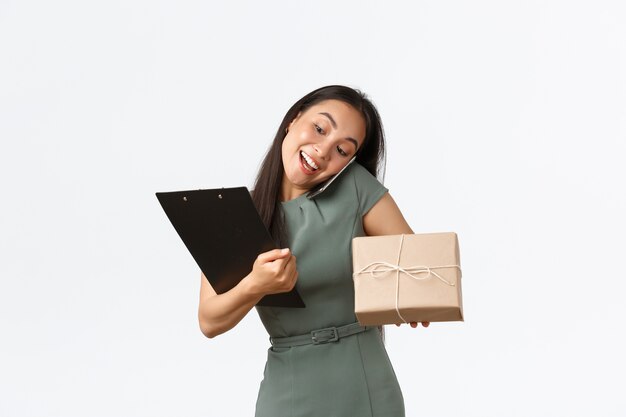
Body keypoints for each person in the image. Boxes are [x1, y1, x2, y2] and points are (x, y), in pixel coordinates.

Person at [197, 85, 429, 417]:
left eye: (342, 150)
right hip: (288, 388)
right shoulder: (236, 214)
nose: (322, 151)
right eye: (319, 129)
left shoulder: (356, 188)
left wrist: (415, 301)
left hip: (364, 383)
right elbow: (210, 320)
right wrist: (256, 285)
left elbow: (418, 266)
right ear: (293, 119)